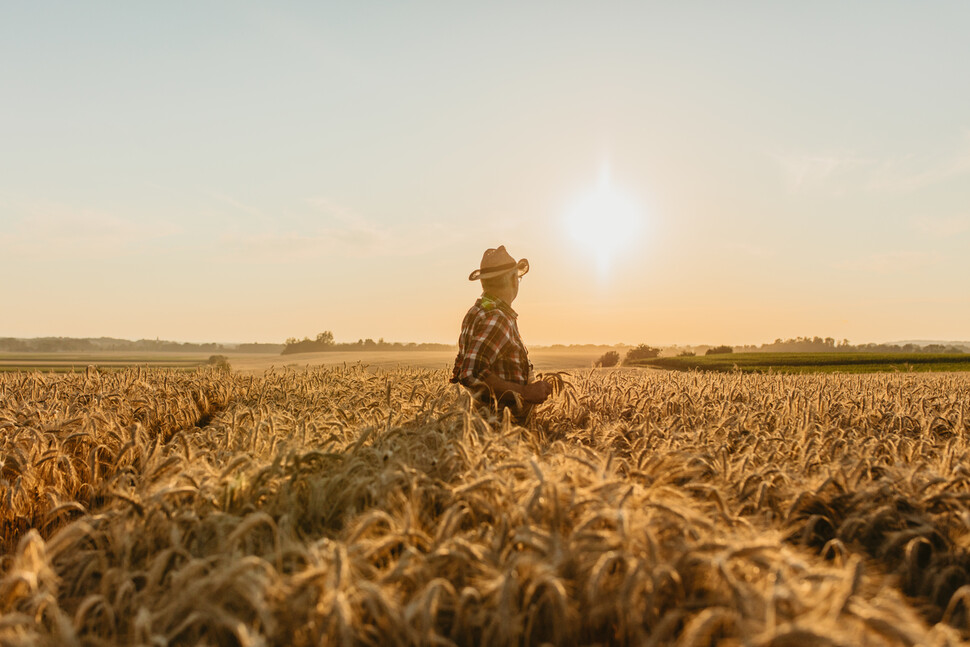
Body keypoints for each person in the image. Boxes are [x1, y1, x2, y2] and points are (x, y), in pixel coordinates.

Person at [451, 245, 553, 423]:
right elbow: (471, 374)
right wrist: (526, 392)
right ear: (513, 280)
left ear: (484, 283)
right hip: (501, 426)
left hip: (487, 424)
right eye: (518, 278)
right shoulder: (497, 319)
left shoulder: (477, 312)